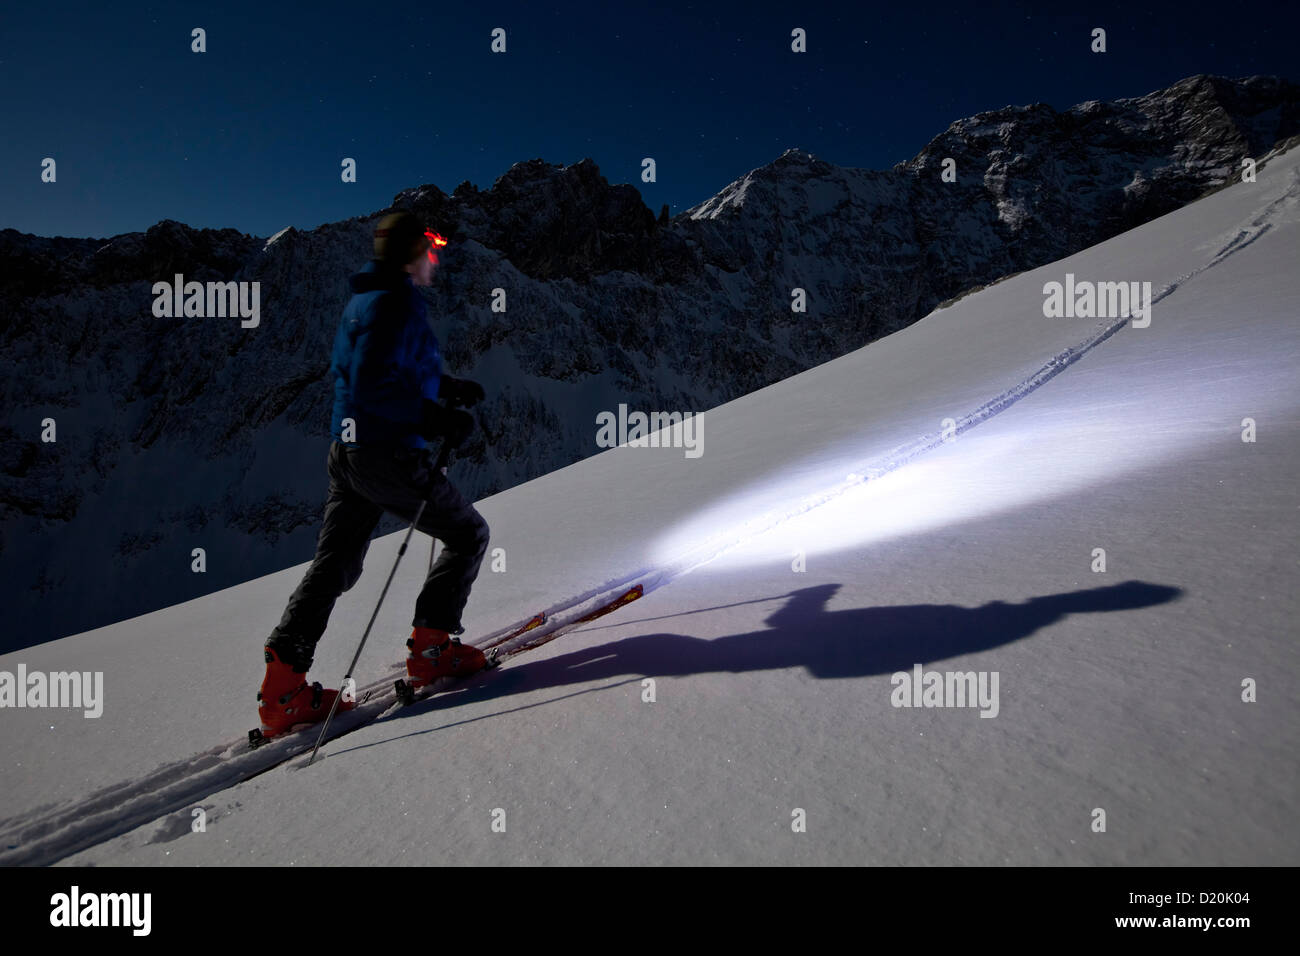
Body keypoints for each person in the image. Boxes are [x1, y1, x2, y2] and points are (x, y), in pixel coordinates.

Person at [256, 211, 491, 738]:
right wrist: (432, 417)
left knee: (335, 563)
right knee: (468, 533)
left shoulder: (366, 299)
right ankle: (433, 652)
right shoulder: (392, 303)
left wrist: (445, 387)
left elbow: (386, 372)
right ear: (409, 255)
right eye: (428, 250)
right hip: (387, 453)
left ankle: (282, 689)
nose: (435, 258)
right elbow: (372, 387)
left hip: (350, 452)